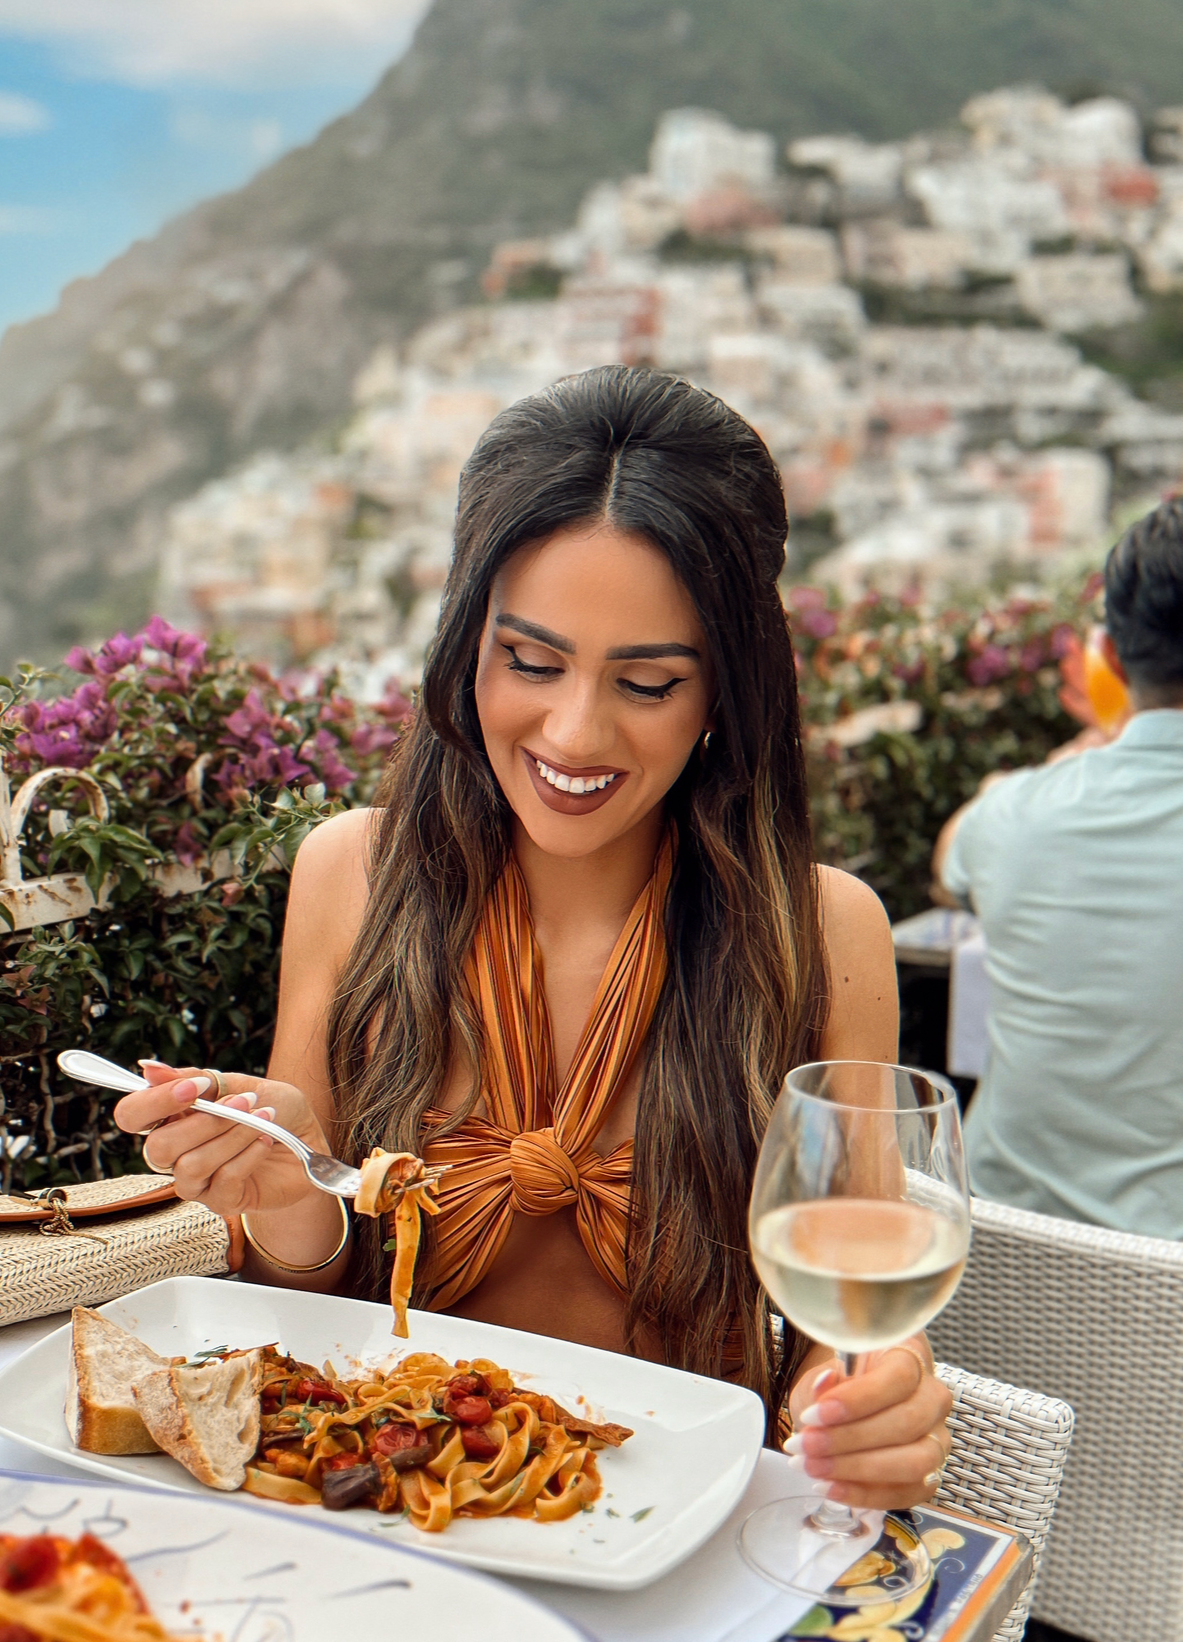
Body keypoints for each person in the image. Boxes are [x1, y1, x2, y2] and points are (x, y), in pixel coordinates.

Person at [117, 367, 953, 1510]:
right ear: (467, 642)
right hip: (393, 1514)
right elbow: (303, 1284)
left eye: (648, 681)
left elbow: (844, 1327)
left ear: (726, 691)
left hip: (671, 1533)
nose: (573, 731)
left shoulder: (819, 931)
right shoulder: (350, 874)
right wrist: (288, 1187)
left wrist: (874, 1393)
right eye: (530, 661)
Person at [933, 499, 1183, 1239]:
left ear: (1106, 655)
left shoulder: (1012, 811)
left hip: (999, 1247)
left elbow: (948, 866)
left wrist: (1090, 747)